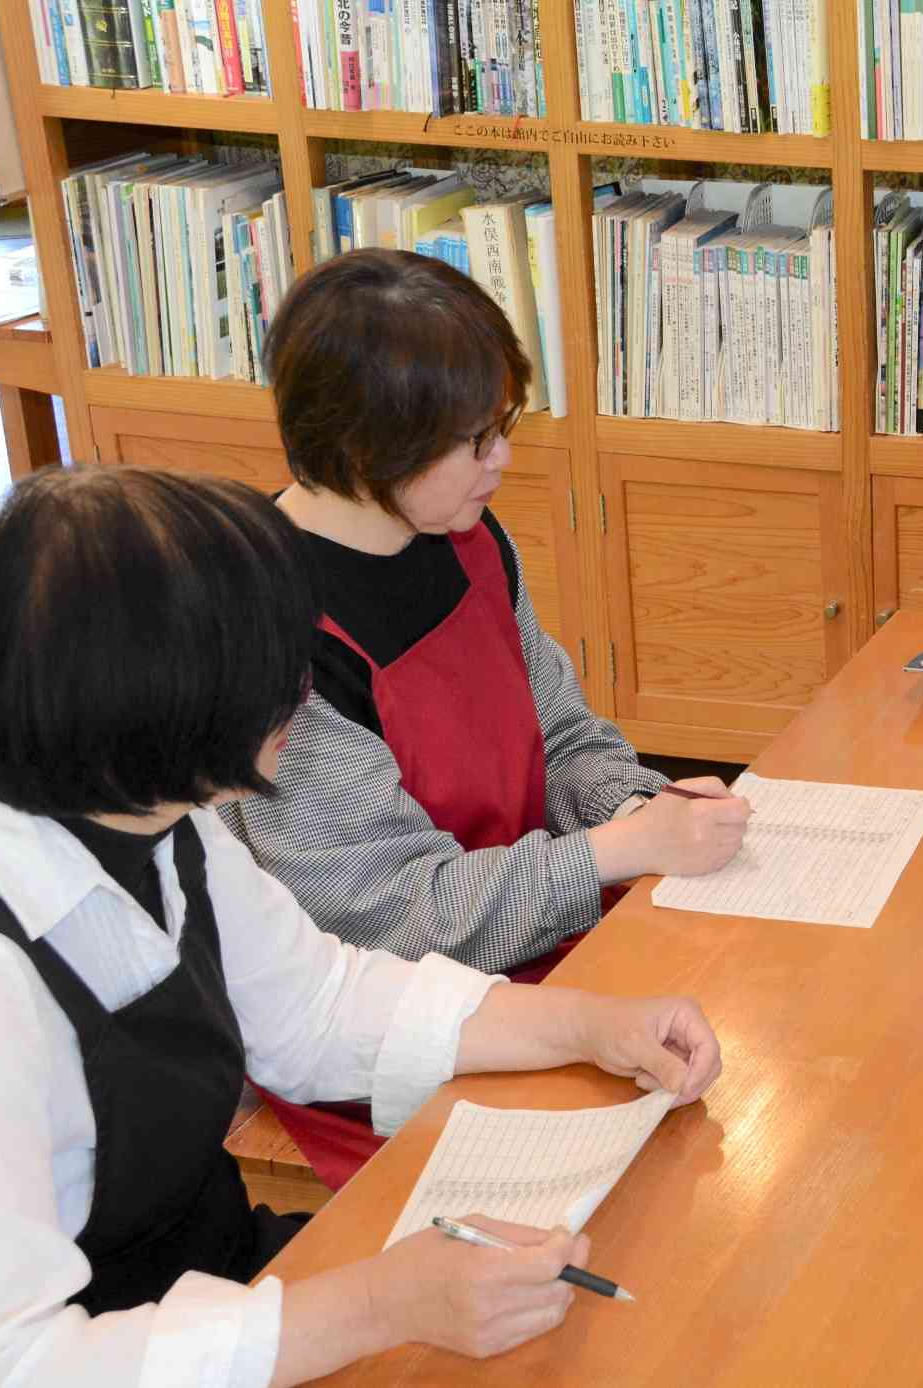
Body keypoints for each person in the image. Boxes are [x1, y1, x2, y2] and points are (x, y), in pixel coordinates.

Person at [0, 467, 725, 1386]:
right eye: (274, 667)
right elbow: (11, 1361)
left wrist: (587, 1024)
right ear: (154, 691)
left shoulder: (165, 825)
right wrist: (378, 1304)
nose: (303, 692)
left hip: (214, 1293)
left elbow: (320, 1004)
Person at [217, 249, 749, 1187]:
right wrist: (616, 852)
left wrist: (640, 805)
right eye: (474, 440)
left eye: (499, 425)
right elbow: (397, 926)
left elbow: (563, 735)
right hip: (403, 1026)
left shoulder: (462, 533)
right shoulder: (279, 640)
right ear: (367, 447)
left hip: (538, 945)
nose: (501, 458)